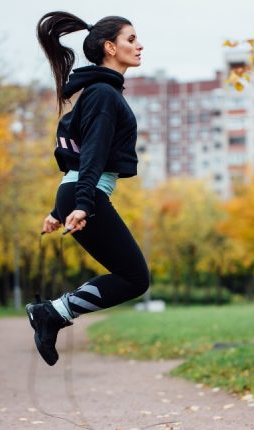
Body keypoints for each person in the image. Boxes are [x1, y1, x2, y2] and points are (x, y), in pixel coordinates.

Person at [27, 11, 148, 366]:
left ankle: (53, 312)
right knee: (134, 278)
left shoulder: (101, 93)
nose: (139, 45)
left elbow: (82, 154)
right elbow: (92, 152)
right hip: (85, 192)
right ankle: (51, 313)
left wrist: (60, 208)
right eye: (131, 39)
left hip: (81, 191)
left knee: (131, 276)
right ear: (110, 48)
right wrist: (80, 204)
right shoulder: (103, 94)